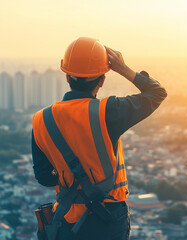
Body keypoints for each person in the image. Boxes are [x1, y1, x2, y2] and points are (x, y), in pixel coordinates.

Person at [32, 37, 167, 240]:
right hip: (109, 220)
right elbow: (156, 93)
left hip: (67, 221)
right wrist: (123, 68)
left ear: (67, 77)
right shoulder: (108, 112)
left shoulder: (41, 120)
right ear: (102, 80)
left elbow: (44, 177)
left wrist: (70, 178)